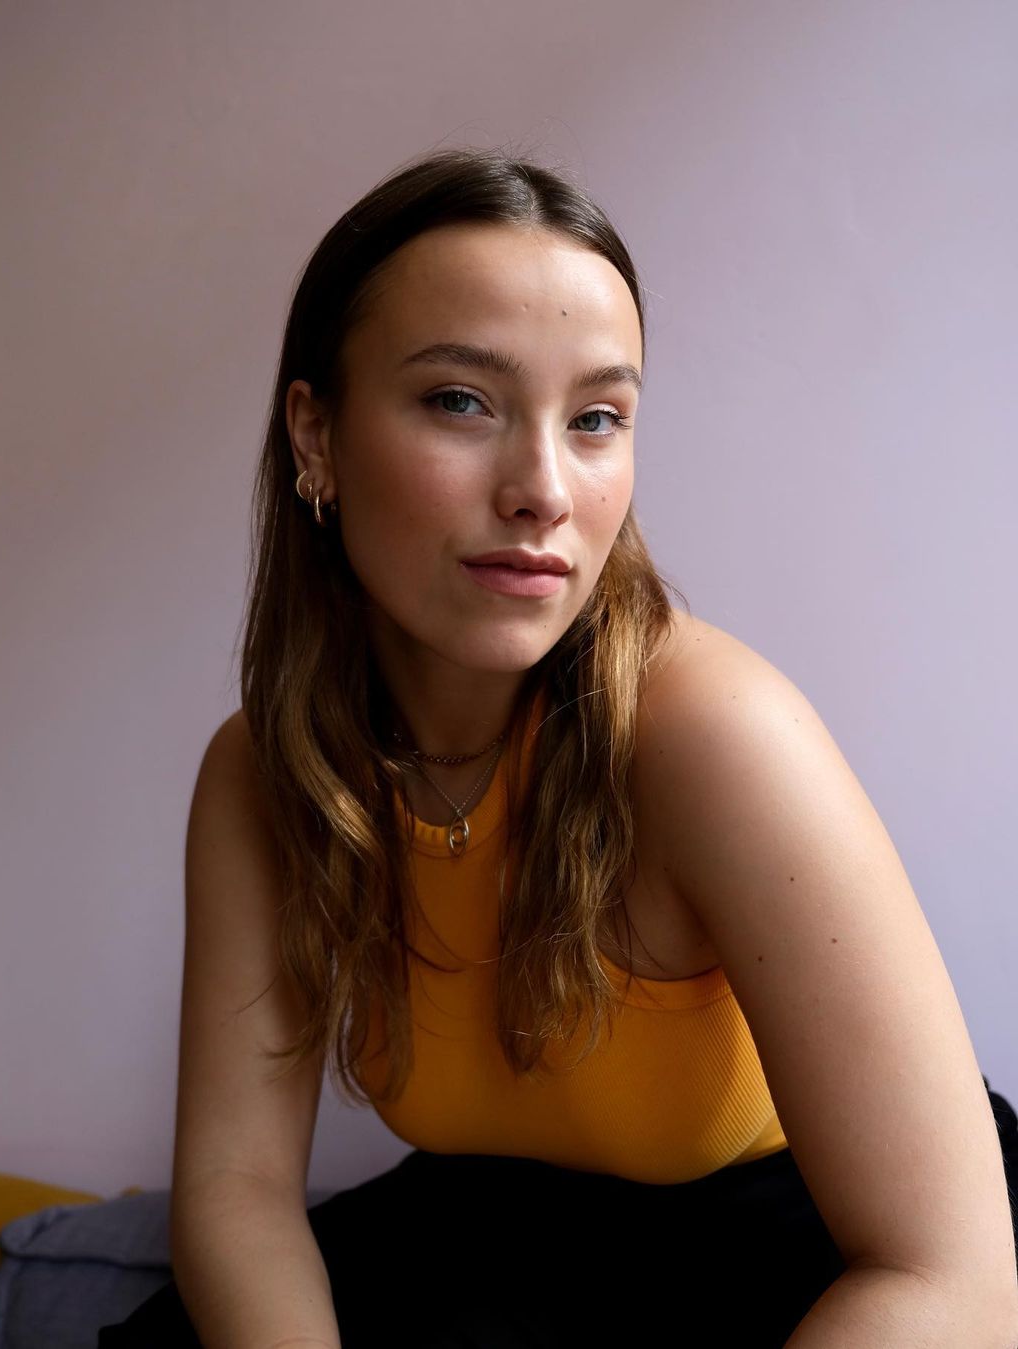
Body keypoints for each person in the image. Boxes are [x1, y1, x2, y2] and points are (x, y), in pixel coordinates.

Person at [98, 146, 1018, 1349]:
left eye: (595, 419)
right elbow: (237, 1190)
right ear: (315, 434)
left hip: (825, 1245)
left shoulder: (712, 733)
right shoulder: (266, 774)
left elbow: (948, 1274)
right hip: (512, 1224)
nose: (542, 488)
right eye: (460, 400)